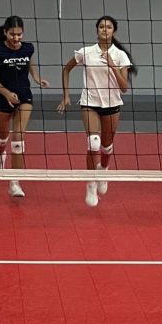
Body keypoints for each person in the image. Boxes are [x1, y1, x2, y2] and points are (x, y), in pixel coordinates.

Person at [57, 16, 134, 207]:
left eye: (108, 27)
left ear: (113, 31)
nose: (104, 30)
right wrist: (66, 95)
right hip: (89, 103)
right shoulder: (86, 52)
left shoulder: (120, 55)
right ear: (97, 30)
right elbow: (66, 70)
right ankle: (90, 183)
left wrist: (112, 65)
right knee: (93, 142)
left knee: (106, 146)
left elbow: (124, 87)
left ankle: (104, 170)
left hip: (112, 104)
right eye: (101, 26)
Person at [0, 15, 49, 198]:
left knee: (18, 138)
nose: (16, 38)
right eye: (13, 34)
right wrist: (6, 94)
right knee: (2, 137)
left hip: (23, 96)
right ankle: (0, 157)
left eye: (19, 35)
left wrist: (36, 78)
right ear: (5, 33)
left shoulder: (28, 48)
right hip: (1, 97)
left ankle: (15, 182)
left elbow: (28, 62)